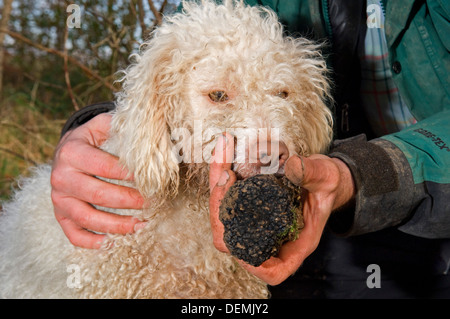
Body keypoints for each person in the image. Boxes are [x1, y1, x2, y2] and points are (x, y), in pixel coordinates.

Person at [51, 0, 450, 298]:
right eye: (219, 95)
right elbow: (162, 73)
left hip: (425, 221)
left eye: (281, 93)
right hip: (292, 237)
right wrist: (95, 126)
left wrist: (355, 173)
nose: (265, 144)